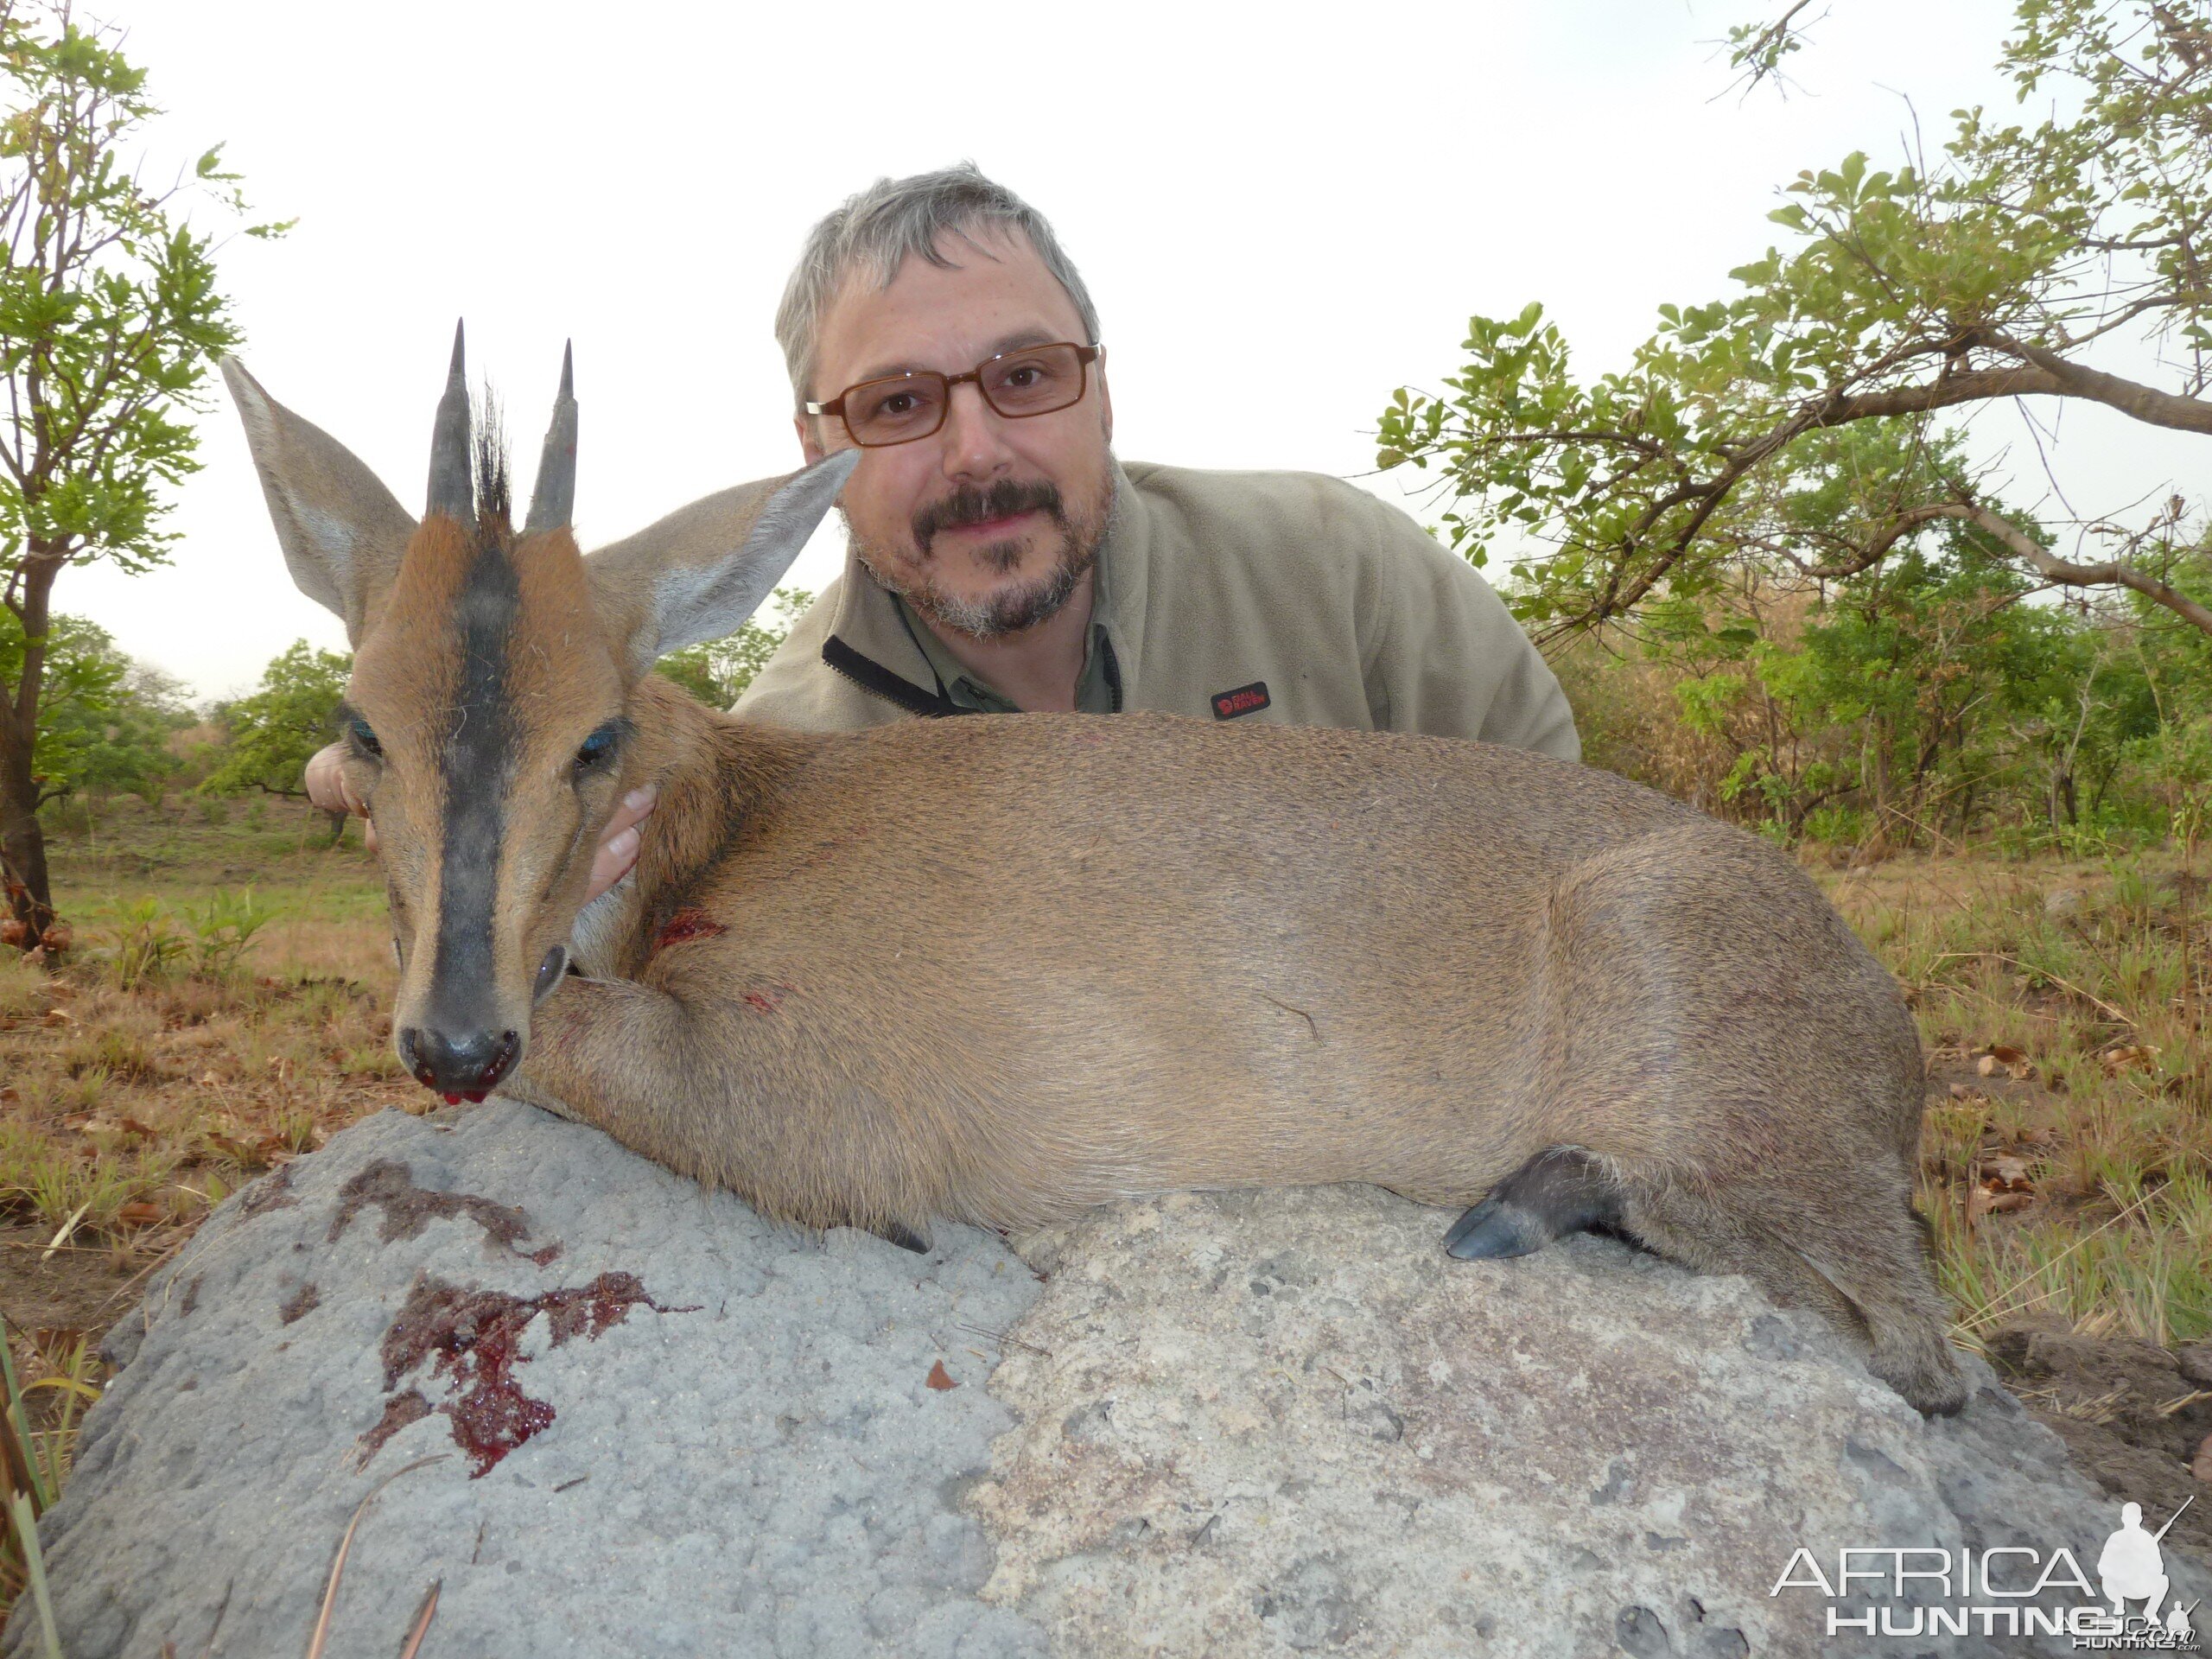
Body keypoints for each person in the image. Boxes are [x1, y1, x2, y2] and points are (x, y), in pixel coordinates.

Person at [305, 164, 1579, 896]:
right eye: (901, 404)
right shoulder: (795, 745)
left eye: (1026, 376)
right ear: (816, 452)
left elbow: (1571, 849)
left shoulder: (1342, 571)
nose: (978, 452)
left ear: (1101, 386)